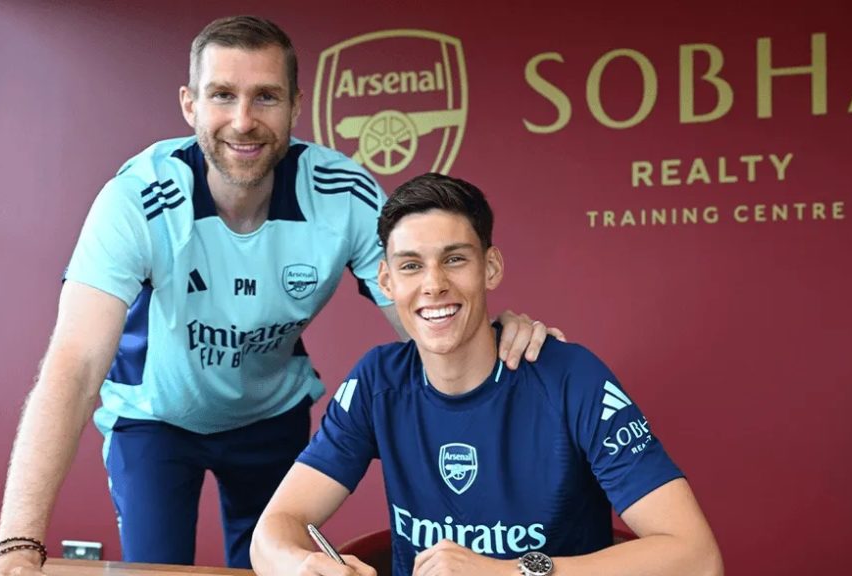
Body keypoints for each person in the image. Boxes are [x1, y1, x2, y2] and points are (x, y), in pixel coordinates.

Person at [0, 16, 560, 575]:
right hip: (155, 417)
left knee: (278, 566)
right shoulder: (137, 198)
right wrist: (17, 545)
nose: (243, 120)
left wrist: (494, 342)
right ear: (190, 105)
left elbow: (424, 311)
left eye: (265, 97)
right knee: (154, 571)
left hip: (270, 415)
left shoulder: (343, 193)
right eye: (222, 95)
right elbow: (75, 365)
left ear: (296, 107)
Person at [250, 173, 724, 576]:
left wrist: (511, 572)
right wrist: (302, 567)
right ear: (387, 282)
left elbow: (697, 557)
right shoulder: (378, 382)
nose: (434, 284)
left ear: (489, 268)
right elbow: (277, 525)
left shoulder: (570, 377)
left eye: (454, 259)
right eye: (411, 266)